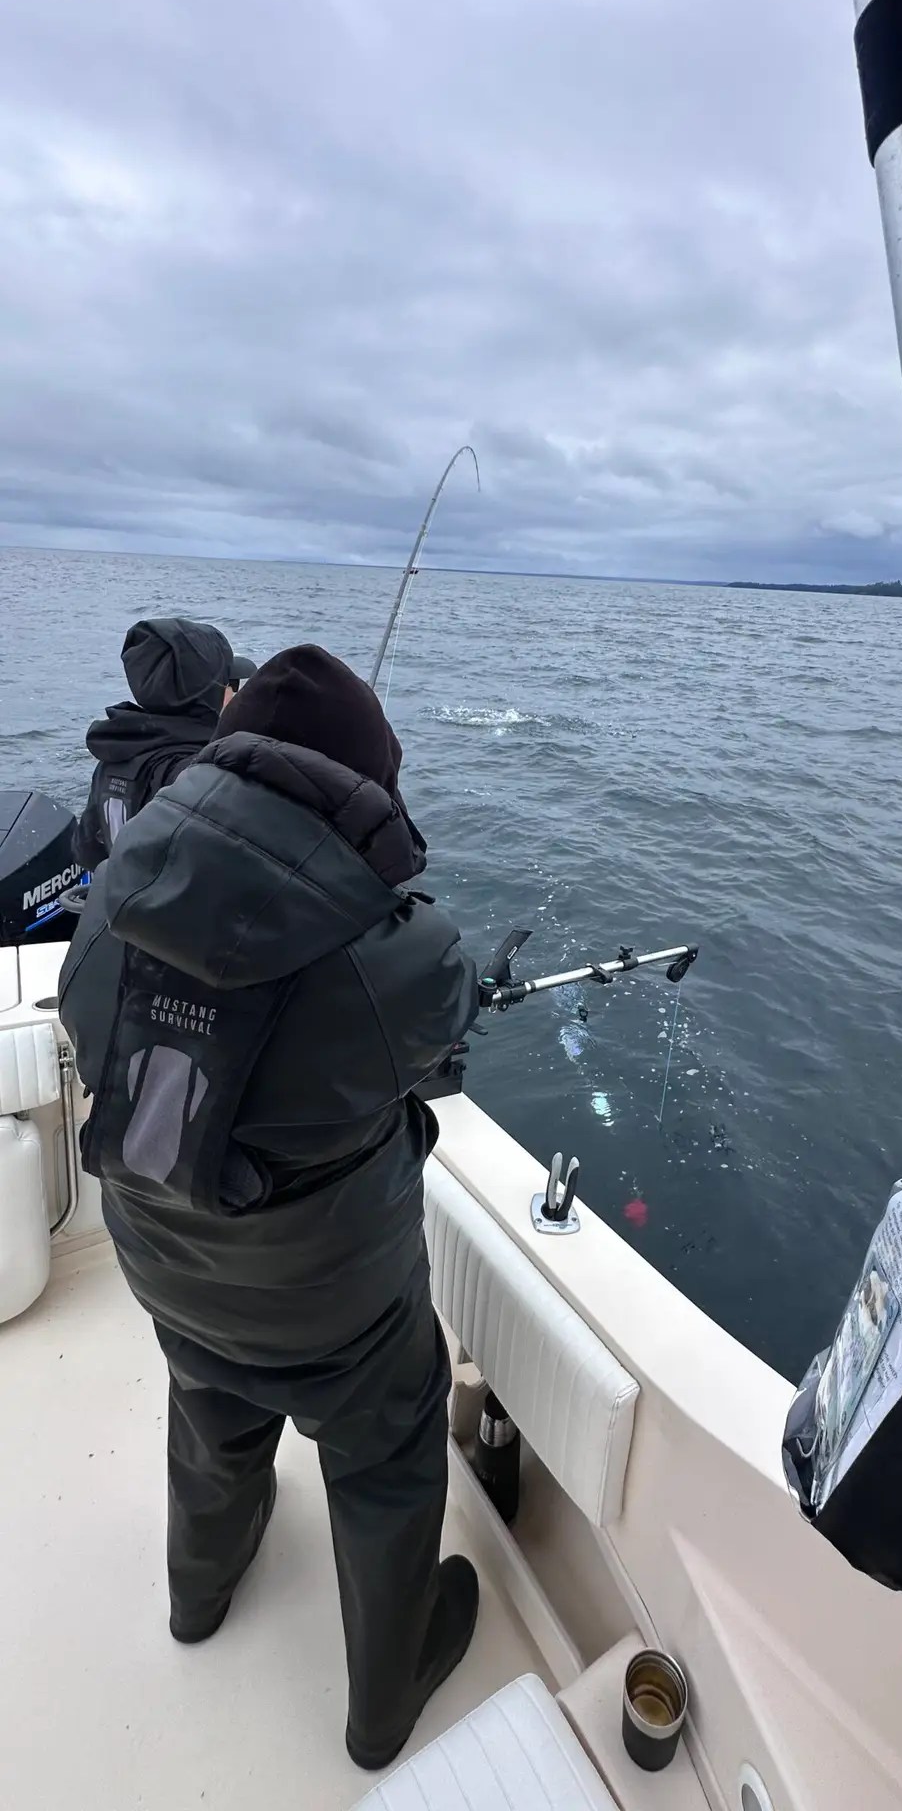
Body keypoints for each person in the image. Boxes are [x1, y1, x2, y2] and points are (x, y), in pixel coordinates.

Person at [58, 645, 480, 1768]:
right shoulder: (402, 958)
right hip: (343, 1315)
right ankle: (382, 1708)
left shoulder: (107, 904)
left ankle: (199, 1595)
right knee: (387, 1456)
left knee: (210, 1400)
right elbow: (443, 1033)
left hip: (165, 1271)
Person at [73, 617, 256, 871]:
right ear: (208, 692)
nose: (234, 693)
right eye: (230, 684)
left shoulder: (116, 753)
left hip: (119, 901)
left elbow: (87, 851)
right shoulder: (202, 771)